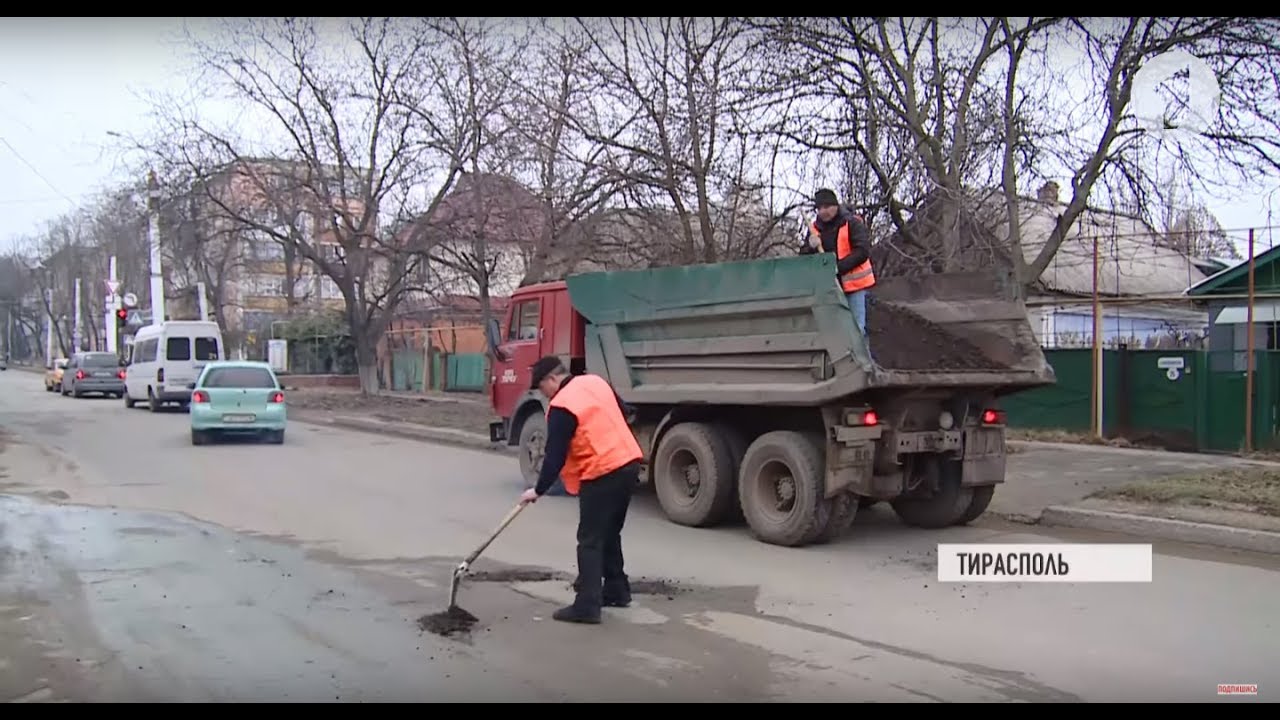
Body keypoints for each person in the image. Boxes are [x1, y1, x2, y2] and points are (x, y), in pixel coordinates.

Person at [518, 355, 643, 624]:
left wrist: (537, 490)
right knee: (609, 532)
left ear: (552, 379)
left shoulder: (563, 405)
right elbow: (625, 411)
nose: (545, 396)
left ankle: (587, 605)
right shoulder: (595, 382)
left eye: (542, 389)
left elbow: (555, 455)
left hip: (602, 470)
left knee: (589, 540)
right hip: (629, 463)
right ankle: (617, 591)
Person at [799, 188, 876, 339]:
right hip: (829, 288)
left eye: (827, 207)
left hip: (853, 287)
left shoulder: (851, 223)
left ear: (835, 206)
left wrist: (836, 268)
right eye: (819, 208)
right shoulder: (814, 229)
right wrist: (810, 246)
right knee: (834, 333)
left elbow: (862, 252)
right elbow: (803, 257)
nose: (823, 211)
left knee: (856, 329)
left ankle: (860, 362)